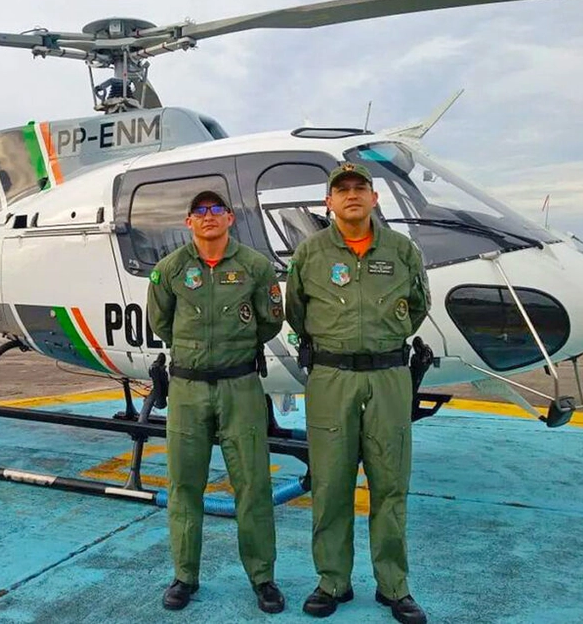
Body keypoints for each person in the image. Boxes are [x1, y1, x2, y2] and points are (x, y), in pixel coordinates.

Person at [285, 163, 430, 624]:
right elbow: (295, 311)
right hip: (332, 378)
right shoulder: (309, 253)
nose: (351, 195)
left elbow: (419, 305)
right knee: (330, 484)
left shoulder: (402, 250)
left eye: (360, 188)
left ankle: (394, 586)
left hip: (389, 376)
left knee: (391, 484)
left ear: (374, 199)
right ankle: (333, 582)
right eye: (341, 189)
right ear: (328, 202)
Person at [147, 190, 285, 614]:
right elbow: (160, 321)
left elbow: (271, 320)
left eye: (216, 211)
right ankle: (184, 577)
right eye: (199, 212)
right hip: (187, 390)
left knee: (253, 485)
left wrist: (232, 351)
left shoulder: (255, 267)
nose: (208, 217)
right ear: (189, 222)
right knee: (185, 486)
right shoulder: (170, 270)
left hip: (240, 386)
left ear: (230, 218)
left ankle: (263, 578)